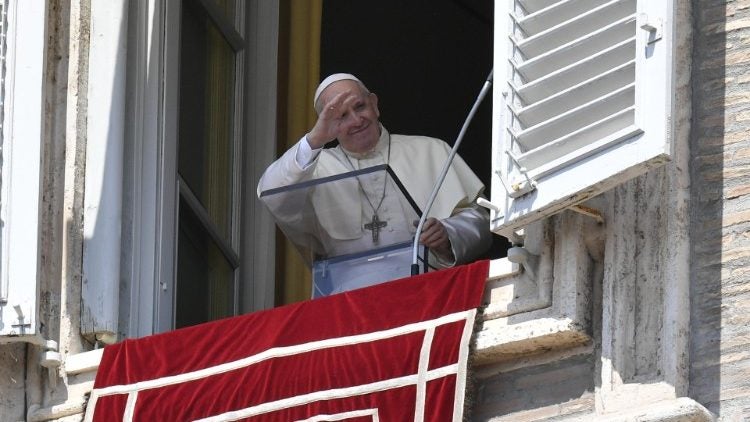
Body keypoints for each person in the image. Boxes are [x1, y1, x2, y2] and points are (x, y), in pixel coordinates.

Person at [258, 73, 491, 294]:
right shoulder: (312, 170)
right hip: (348, 301)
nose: (356, 120)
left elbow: (481, 221)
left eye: (360, 107)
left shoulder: (430, 150)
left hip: (428, 287)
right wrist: (316, 138)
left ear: (374, 104)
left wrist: (448, 235)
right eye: (341, 116)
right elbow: (272, 194)